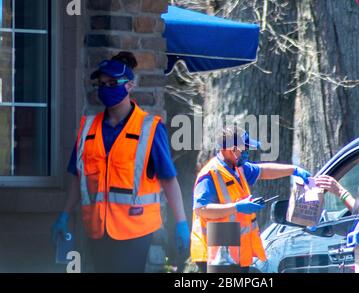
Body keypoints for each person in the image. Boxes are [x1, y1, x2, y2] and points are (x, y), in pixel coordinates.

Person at [51, 52, 190, 273]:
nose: (105, 88)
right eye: (101, 84)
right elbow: (79, 178)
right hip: (97, 229)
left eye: (113, 83)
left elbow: (169, 180)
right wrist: (65, 214)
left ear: (129, 86)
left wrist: (181, 223)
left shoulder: (150, 128)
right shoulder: (88, 128)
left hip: (135, 231)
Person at [190, 126, 312, 272]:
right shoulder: (210, 174)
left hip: (233, 248)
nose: (247, 154)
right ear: (231, 149)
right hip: (215, 252)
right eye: (244, 150)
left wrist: (293, 170)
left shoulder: (238, 168)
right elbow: (201, 209)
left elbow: (263, 171)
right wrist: (238, 207)